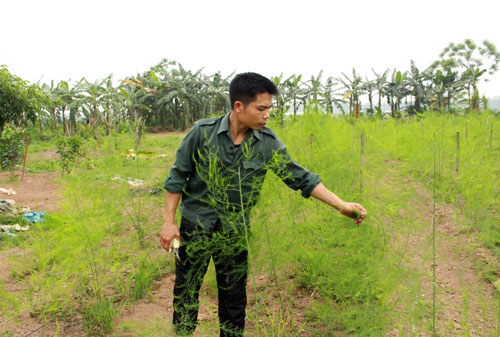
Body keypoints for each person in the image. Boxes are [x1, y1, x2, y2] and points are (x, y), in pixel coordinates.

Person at [160, 72, 367, 337]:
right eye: (261, 108)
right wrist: (169, 223)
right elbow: (177, 177)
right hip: (195, 225)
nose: (267, 114)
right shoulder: (202, 133)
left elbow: (301, 178)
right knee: (186, 291)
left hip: (235, 231)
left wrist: (340, 205)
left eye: (269, 108)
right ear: (239, 106)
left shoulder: (267, 144)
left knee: (234, 301)